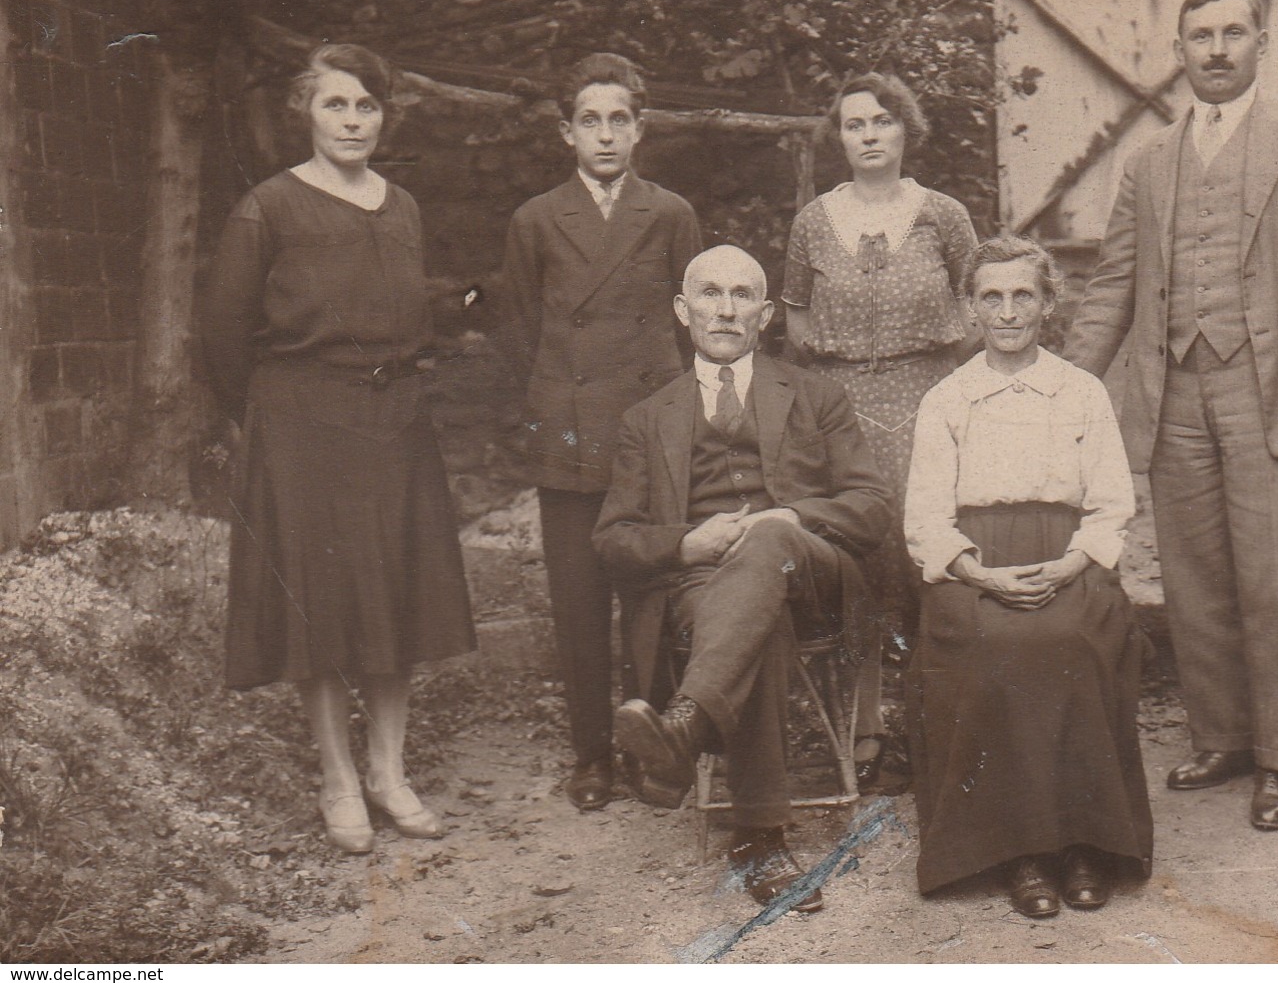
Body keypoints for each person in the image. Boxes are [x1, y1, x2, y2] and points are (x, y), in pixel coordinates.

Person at [1064, 0, 1278, 831]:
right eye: (1199, 36)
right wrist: (1063, 382)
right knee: (1195, 573)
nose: (1215, 50)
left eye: (1232, 34)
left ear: (1259, 42)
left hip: (1270, 388)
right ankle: (1221, 739)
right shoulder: (1147, 160)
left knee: (1274, 577)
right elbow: (1111, 287)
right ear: (1178, 52)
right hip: (1172, 391)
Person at [200, 44, 476, 854]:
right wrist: (261, 419)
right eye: (336, 105)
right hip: (301, 422)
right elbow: (222, 334)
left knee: (394, 597)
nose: (353, 121)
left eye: (366, 107)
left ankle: (389, 773)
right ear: (306, 113)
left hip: (394, 421)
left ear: (384, 117)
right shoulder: (268, 207)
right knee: (319, 610)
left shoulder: (403, 206)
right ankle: (337, 780)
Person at [595, 246, 890, 912]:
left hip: (811, 572)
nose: (724, 309)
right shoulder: (646, 418)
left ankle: (685, 726)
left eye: (740, 296)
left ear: (765, 315)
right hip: (702, 584)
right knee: (758, 620)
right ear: (681, 310)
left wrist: (790, 516)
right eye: (708, 293)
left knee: (770, 539)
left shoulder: (816, 395)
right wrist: (686, 540)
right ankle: (759, 838)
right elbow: (612, 542)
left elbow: (871, 509)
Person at [904, 235, 1149, 918]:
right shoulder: (947, 398)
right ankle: (1022, 852)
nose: (1007, 311)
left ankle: (1083, 845)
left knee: (1069, 641)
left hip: (1064, 556)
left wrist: (1071, 562)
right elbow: (924, 514)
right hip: (974, 567)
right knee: (997, 649)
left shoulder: (1080, 392)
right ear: (970, 309)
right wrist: (980, 576)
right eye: (991, 297)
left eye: (1022, 296)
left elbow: (1109, 505)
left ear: (1047, 304)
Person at [497, 53, 703, 811]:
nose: (606, 135)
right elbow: (517, 327)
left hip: (648, 431)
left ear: (641, 129)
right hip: (571, 431)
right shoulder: (535, 219)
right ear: (566, 132)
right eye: (591, 120)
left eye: (620, 120)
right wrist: (554, 400)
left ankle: (652, 747)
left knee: (649, 594)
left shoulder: (672, 214)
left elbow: (692, 323)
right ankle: (591, 756)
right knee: (579, 600)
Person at [782, 72, 979, 785]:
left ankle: (938, 725)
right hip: (838, 415)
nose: (868, 136)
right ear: (838, 137)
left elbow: (977, 301)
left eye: (881, 122)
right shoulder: (812, 221)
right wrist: (828, 380)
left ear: (906, 130)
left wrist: (942, 377)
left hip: (928, 404)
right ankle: (861, 733)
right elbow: (794, 311)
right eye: (853, 124)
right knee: (854, 567)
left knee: (930, 556)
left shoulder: (943, 215)